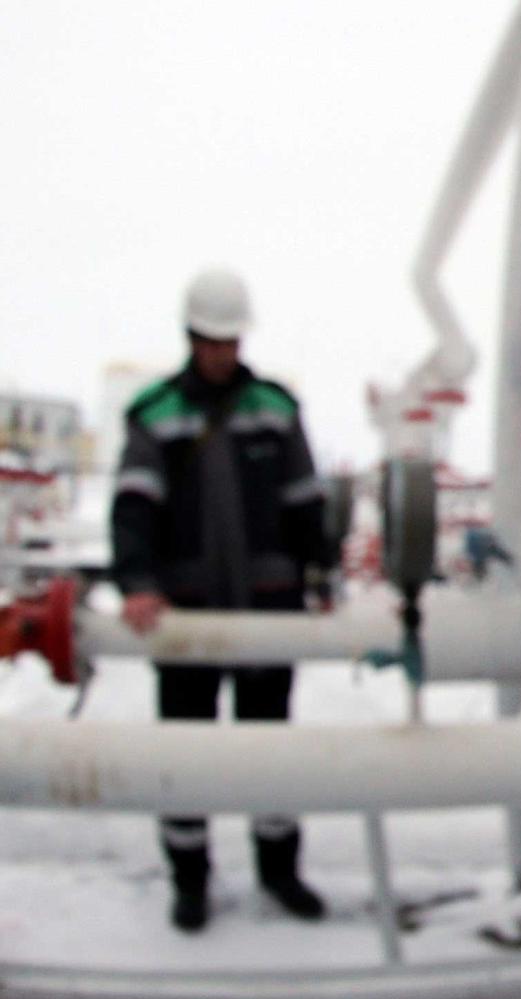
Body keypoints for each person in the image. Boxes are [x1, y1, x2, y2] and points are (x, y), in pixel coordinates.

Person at [110, 268, 336, 933]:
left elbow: (304, 501)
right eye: (211, 340)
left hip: (269, 610)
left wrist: (319, 576)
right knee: (186, 758)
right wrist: (138, 583)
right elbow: (133, 507)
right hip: (186, 616)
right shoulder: (156, 414)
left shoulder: (275, 407)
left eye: (231, 340)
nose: (222, 353)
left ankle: (280, 871)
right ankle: (190, 881)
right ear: (190, 336)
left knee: (269, 753)